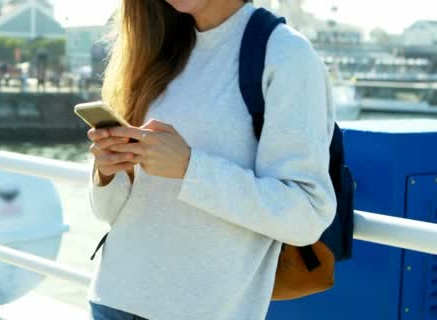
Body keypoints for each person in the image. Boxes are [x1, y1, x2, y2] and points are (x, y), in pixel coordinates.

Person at [86, 1, 337, 319]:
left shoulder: (286, 54)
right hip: (112, 298)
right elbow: (107, 212)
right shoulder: (156, 51)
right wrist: (106, 174)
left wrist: (190, 168)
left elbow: (307, 215)